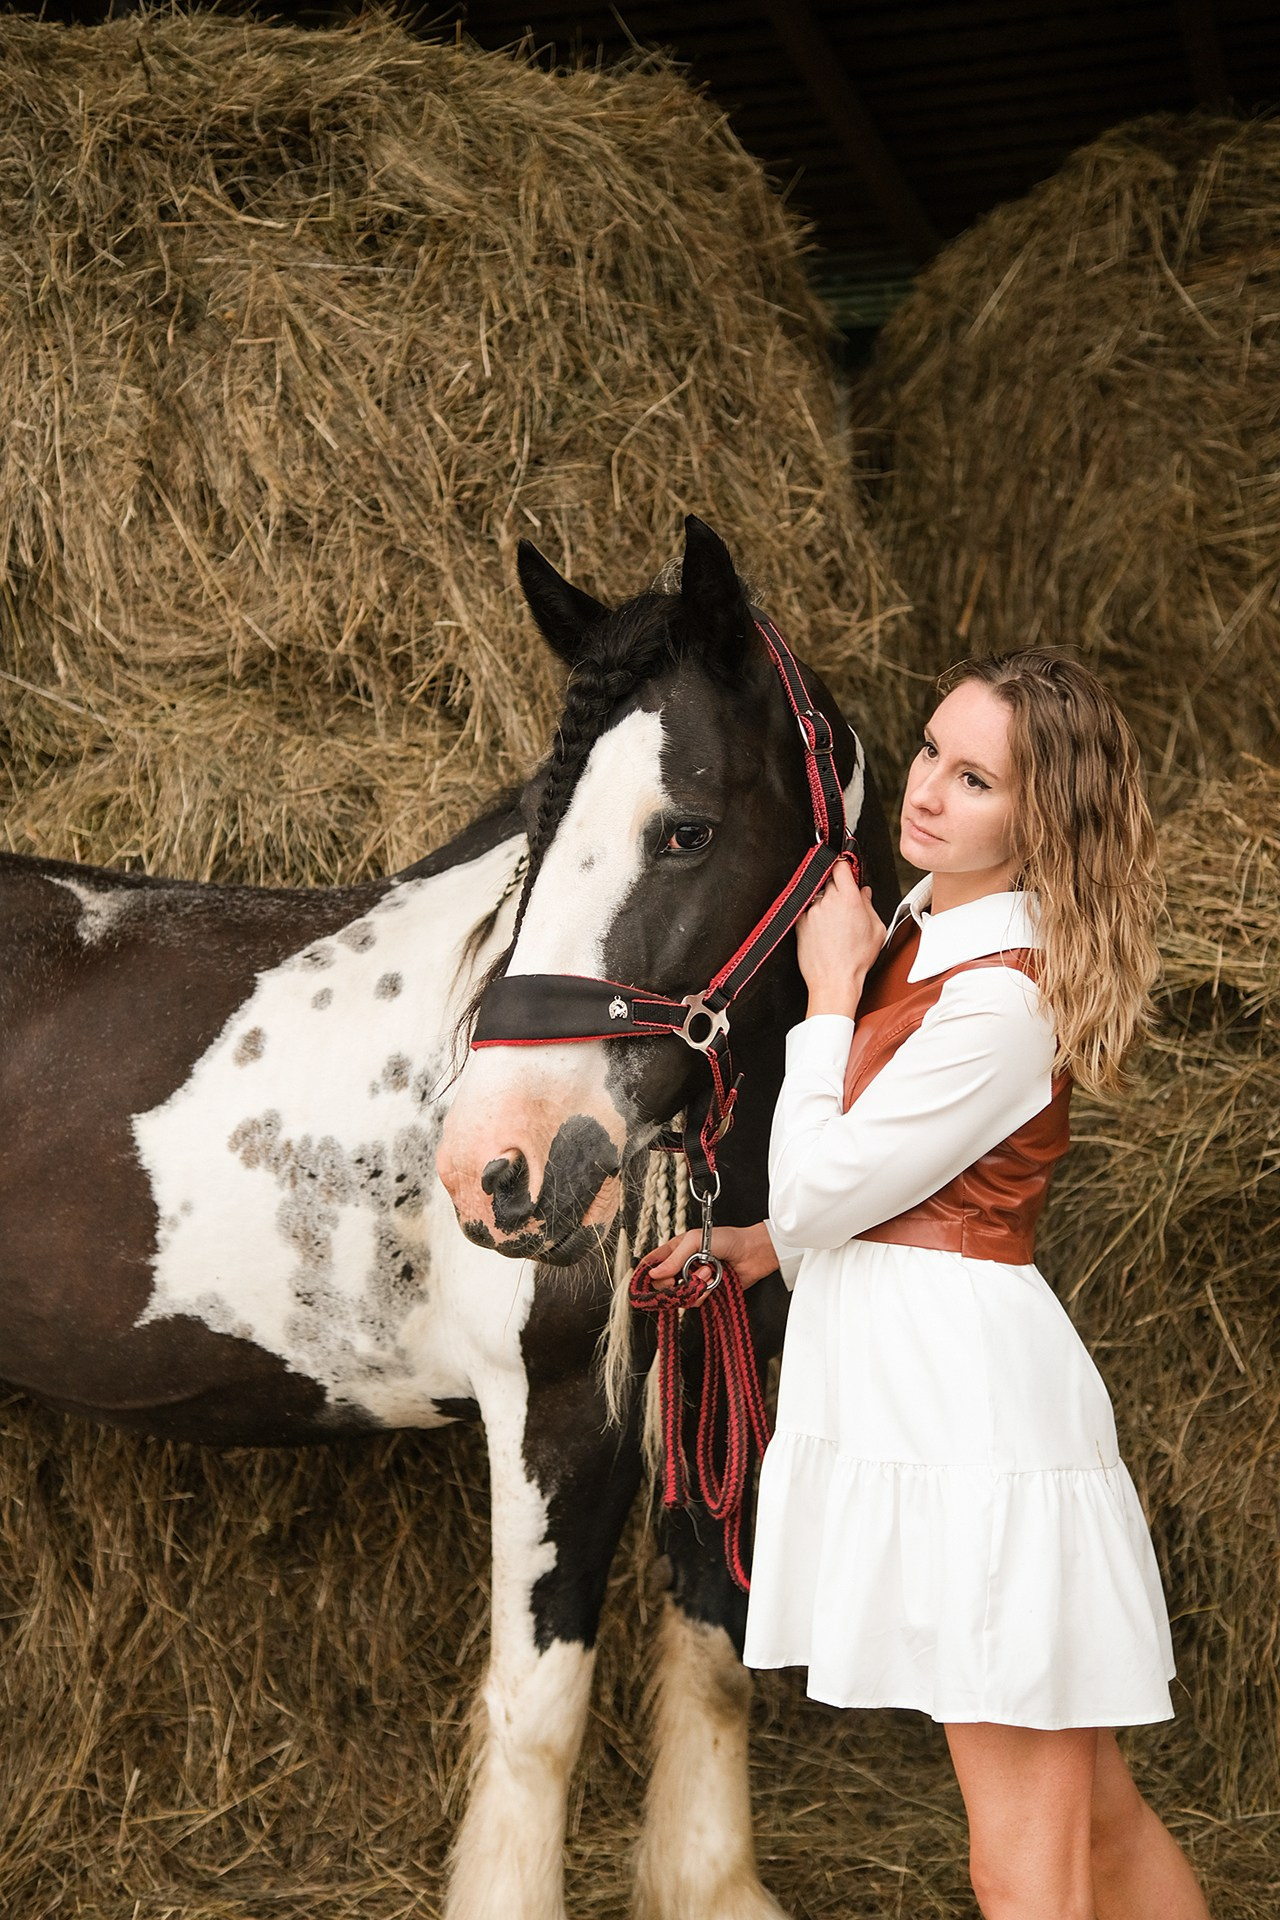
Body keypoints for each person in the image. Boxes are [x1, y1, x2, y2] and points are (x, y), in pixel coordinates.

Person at [646, 649, 1211, 1920]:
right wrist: (751, 1253)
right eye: (927, 754)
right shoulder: (919, 925)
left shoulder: (1000, 998)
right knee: (1099, 1827)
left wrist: (825, 997)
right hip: (919, 1392)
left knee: (1020, 1866)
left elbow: (819, 1185)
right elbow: (873, 1185)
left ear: (1039, 819)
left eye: (976, 778)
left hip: (969, 1425)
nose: (928, 793)